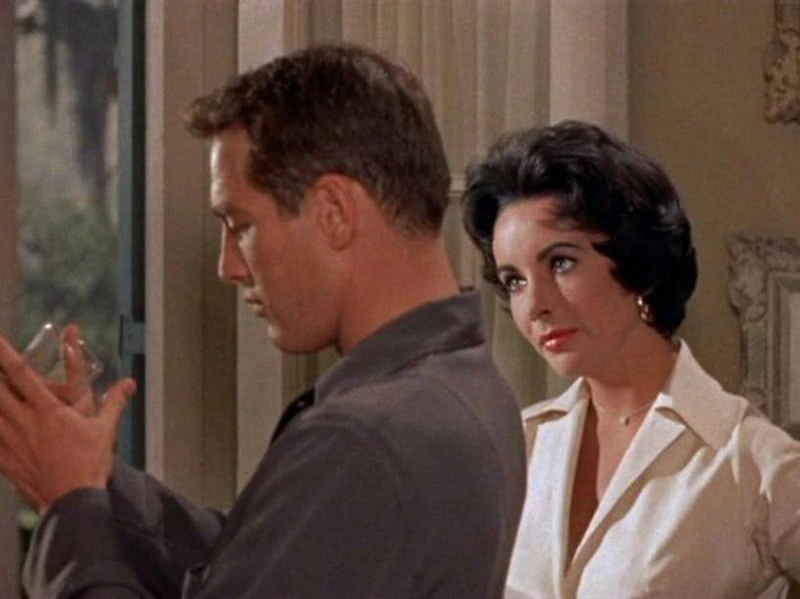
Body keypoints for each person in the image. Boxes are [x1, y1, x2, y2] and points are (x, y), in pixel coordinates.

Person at [0, 44, 526, 598]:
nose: (228, 267)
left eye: (240, 224)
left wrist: (70, 504)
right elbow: (263, 559)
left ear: (334, 212)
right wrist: (90, 473)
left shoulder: (362, 442)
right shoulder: (466, 387)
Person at [462, 120, 800, 598]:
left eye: (560, 263)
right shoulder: (520, 448)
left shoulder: (749, 462)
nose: (534, 304)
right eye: (514, 280)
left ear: (638, 265)